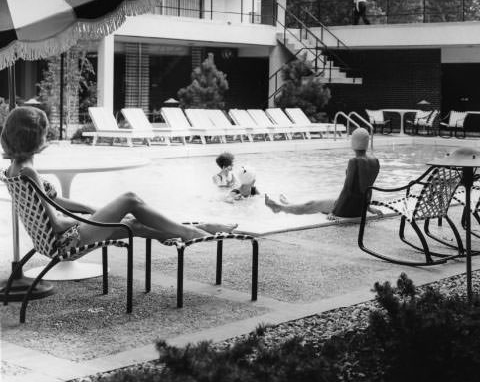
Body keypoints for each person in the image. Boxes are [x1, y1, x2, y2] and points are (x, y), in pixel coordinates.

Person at [2, 106, 238, 249]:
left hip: (60, 236)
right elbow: (56, 223)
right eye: (44, 131)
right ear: (34, 137)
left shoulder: (16, 169)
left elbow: (54, 203)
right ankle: (190, 232)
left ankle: (198, 227)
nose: (47, 135)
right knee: (130, 199)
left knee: (132, 222)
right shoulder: (28, 172)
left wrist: (93, 209)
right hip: (65, 240)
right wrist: (94, 219)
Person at [264, 127, 381, 219]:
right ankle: (288, 205)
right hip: (359, 208)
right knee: (316, 204)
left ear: (353, 143)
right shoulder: (375, 162)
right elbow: (367, 189)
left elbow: (348, 189)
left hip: (347, 210)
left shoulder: (354, 161)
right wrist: (368, 208)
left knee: (311, 205)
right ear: (366, 143)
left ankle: (280, 208)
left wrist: (335, 212)